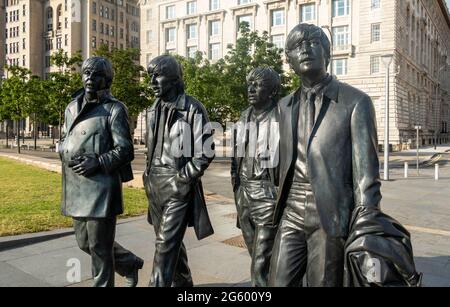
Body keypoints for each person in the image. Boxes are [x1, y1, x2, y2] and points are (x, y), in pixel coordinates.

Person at [269, 23, 383, 287]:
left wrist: (366, 226)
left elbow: (366, 177)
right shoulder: (284, 106)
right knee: (278, 281)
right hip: (291, 209)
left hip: (332, 213)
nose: (306, 49)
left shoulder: (356, 102)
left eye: (313, 43)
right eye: (297, 46)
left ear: (327, 53)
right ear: (289, 60)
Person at [59, 57, 143, 287]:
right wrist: (62, 149)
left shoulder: (114, 109)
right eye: (86, 73)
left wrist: (99, 161)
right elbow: (65, 138)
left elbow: (125, 149)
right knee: (84, 242)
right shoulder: (71, 107)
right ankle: (128, 263)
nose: (89, 78)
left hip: (101, 188)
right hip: (76, 186)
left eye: (96, 75)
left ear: (106, 79)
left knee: (100, 248)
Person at [144, 55, 214, 287]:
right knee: (170, 244)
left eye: (158, 76)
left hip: (177, 185)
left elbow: (205, 151)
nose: (152, 81)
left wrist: (182, 179)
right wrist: (147, 178)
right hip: (154, 186)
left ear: (174, 79)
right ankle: (184, 285)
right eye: (149, 76)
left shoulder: (192, 108)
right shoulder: (152, 110)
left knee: (164, 246)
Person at [231, 67, 280, 287]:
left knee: (260, 260)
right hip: (244, 193)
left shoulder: (282, 116)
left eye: (257, 84)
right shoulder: (244, 116)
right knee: (255, 252)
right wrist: (237, 188)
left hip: (268, 193)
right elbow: (236, 156)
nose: (250, 89)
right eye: (249, 84)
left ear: (271, 91)